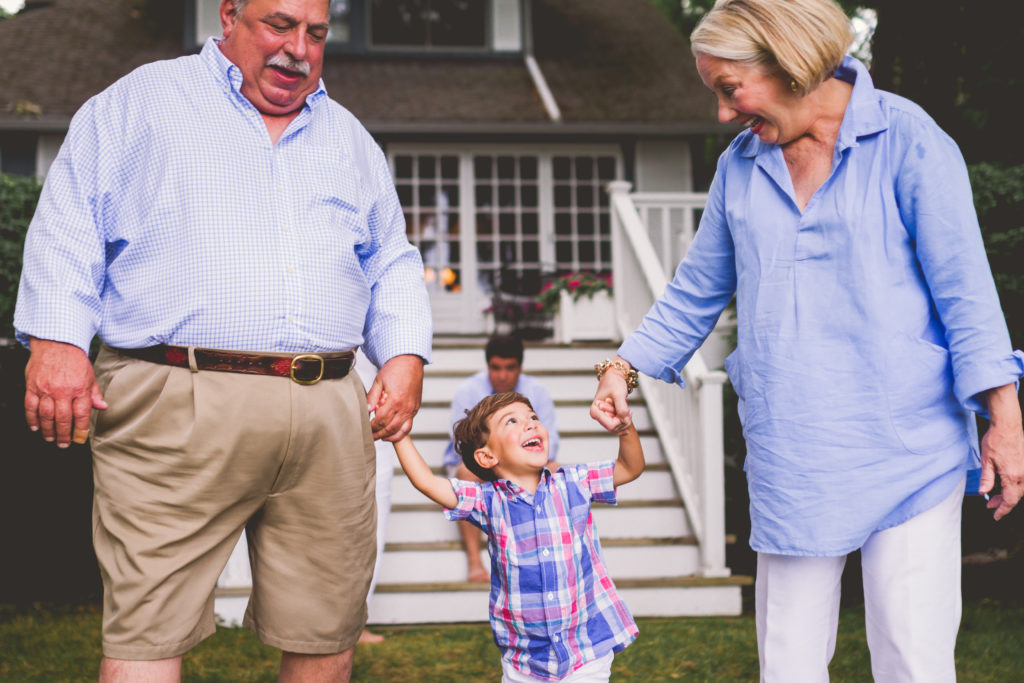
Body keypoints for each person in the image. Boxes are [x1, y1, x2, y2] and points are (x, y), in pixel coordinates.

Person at [591, 0, 1024, 680]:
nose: (725, 114)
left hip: (907, 445)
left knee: (914, 659)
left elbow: (965, 292)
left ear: (789, 63)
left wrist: (1005, 417)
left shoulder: (909, 141)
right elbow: (695, 289)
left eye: (730, 90)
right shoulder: (740, 167)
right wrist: (624, 366)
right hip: (793, 451)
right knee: (788, 663)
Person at [14, 1, 431, 681]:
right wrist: (57, 340)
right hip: (173, 400)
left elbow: (391, 257)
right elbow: (69, 221)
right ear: (229, 14)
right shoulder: (143, 103)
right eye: (279, 24)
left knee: (327, 628)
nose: (298, 49)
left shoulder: (348, 137)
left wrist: (406, 354)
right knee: (148, 630)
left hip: (328, 407)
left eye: (315, 33)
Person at [393, 391, 643, 682]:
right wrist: (400, 436)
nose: (530, 424)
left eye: (533, 417)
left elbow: (629, 467)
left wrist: (624, 428)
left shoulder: (575, 482)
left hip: (586, 648)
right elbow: (427, 482)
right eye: (512, 421)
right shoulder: (488, 501)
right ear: (487, 456)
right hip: (525, 660)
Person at [444, 334, 561, 582]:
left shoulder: (537, 391)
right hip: (478, 464)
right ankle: (475, 561)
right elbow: (464, 445)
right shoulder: (468, 390)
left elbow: (550, 444)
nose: (502, 376)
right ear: (488, 366)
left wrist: (517, 462)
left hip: (523, 464)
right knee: (465, 475)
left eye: (510, 368)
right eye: (496, 368)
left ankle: (544, 559)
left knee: (555, 470)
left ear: (520, 367)